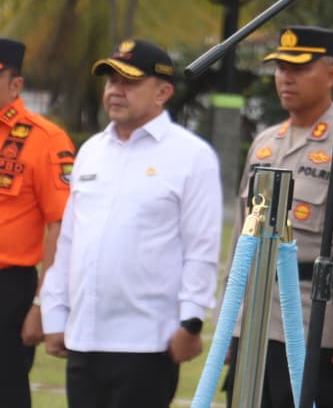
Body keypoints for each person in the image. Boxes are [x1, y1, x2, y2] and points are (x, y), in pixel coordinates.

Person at [41, 38, 221, 408]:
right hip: (85, 338)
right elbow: (71, 242)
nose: (116, 91)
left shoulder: (191, 155)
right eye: (111, 81)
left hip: (147, 342)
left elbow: (201, 247)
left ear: (163, 92)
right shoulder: (91, 151)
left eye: (130, 82)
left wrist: (191, 322)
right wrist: (54, 313)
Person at [225, 25, 333, 408]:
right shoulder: (265, 144)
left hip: (313, 322)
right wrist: (232, 322)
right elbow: (240, 238)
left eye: (299, 68)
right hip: (254, 318)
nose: (286, 78)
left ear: (332, 73)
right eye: (281, 68)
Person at [0, 37, 76, 408]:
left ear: (16, 85)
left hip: (9, 291)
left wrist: (40, 302)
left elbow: (60, 227)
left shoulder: (46, 140)